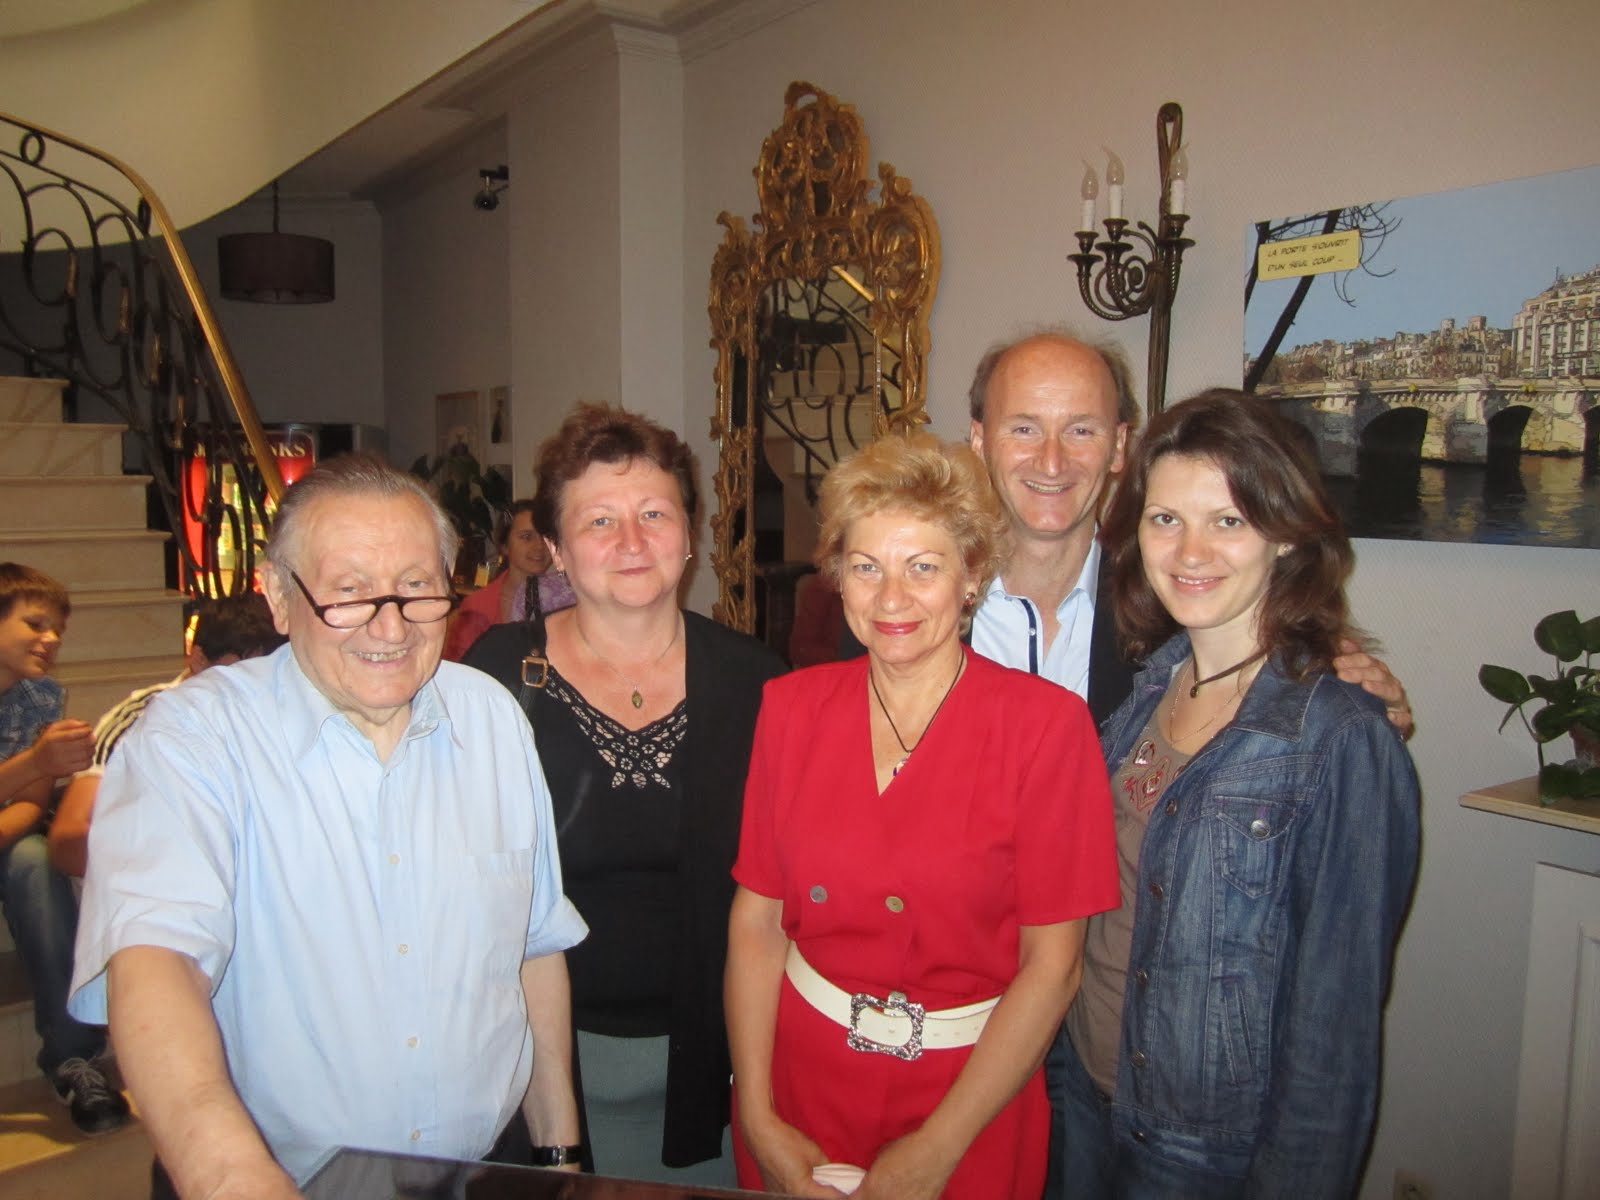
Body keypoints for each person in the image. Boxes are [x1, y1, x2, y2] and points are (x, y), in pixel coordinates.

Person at [68, 454, 588, 1198]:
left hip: (482, 1172)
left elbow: (532, 948)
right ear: (280, 598)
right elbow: (157, 963)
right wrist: (231, 1177)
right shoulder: (193, 737)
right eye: (348, 592)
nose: (390, 626)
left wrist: (559, 1156)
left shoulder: (491, 716)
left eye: (418, 587)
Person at [725, 433, 1120, 1200]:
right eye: (866, 567)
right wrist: (757, 1110)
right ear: (838, 578)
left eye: (923, 567)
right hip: (801, 1085)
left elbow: (1053, 967)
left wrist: (937, 1151)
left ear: (972, 577)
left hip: (969, 1102)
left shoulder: (1045, 728)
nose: (891, 598)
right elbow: (757, 922)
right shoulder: (790, 708)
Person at [1055, 390, 1420, 1196]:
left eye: (1228, 520)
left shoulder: (1340, 739)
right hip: (1081, 1096)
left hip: (1201, 1150)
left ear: (1285, 534)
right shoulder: (1144, 693)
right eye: (1165, 519)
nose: (1190, 551)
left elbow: (1334, 1029)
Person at [464, 404, 786, 1185]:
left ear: (690, 534)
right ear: (555, 549)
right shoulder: (495, 679)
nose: (632, 541)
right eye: (600, 521)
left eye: (654, 514)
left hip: (723, 1073)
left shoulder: (759, 683)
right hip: (537, 1075)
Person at [0, 562, 128, 1135]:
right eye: (35, 624)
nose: (51, 639)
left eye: (58, 629)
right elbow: (33, 774)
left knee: (35, 858)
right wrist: (36, 761)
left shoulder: (40, 698)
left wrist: (38, 770)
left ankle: (72, 1057)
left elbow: (29, 805)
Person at [49, 591, 286, 878]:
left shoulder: (284, 719)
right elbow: (70, 839)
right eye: (240, 675)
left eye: (269, 676)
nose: (255, 691)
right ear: (199, 660)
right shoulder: (140, 717)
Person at [443, 499, 576, 662]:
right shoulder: (478, 608)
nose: (539, 546)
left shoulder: (566, 596)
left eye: (545, 536)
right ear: (505, 546)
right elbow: (462, 668)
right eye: (527, 537)